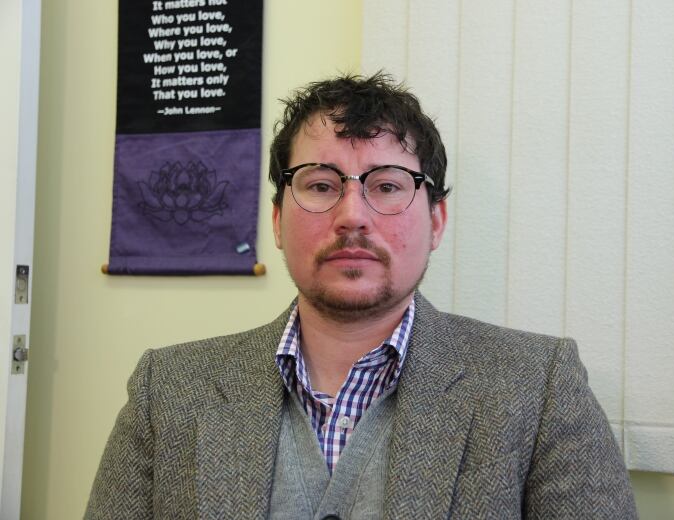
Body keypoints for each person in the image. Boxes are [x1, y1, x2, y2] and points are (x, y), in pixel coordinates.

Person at [86, 72, 637, 519]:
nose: (352, 217)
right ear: (277, 220)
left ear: (437, 220)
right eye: (321, 185)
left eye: (388, 186)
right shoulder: (169, 390)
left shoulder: (537, 386)